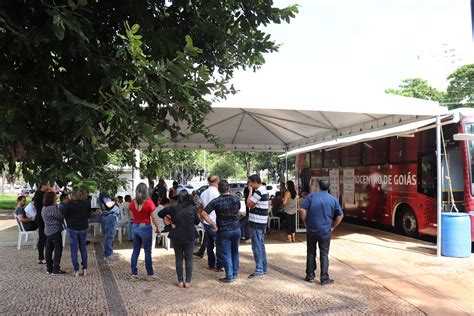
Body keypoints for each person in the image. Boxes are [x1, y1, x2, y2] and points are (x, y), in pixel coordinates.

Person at [300, 179, 344, 285]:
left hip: (311, 230)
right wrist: (333, 226)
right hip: (325, 231)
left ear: (319, 186)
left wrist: (306, 223)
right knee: (324, 254)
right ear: (329, 187)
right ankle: (324, 278)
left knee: (311, 253)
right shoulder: (333, 199)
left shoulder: (311, 196)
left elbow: (302, 210)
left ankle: (310, 276)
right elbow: (340, 215)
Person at [201, 180, 241, 283]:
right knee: (235, 251)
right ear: (229, 189)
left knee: (226, 253)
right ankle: (235, 272)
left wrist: (213, 224)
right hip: (236, 228)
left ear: (218, 189)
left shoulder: (216, 201)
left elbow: (204, 213)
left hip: (224, 230)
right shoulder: (236, 199)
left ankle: (229, 276)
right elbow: (238, 211)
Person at [158, 190, 200, 288]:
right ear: (188, 198)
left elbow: (160, 213)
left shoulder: (173, 207)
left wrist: (170, 220)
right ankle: (188, 281)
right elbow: (197, 222)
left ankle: (180, 281)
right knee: (189, 259)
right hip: (189, 235)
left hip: (176, 235)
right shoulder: (192, 208)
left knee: (178, 258)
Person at [129, 183, 160, 281]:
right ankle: (149, 275)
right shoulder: (149, 202)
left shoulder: (132, 202)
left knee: (135, 251)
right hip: (145, 227)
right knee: (147, 252)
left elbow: (132, 217)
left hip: (135, 226)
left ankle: (134, 274)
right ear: (146, 191)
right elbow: (154, 217)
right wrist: (158, 228)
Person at [63, 188, 92, 277]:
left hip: (72, 227)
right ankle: (85, 268)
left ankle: (76, 270)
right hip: (83, 227)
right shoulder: (87, 203)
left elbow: (65, 215)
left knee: (74, 249)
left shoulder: (69, 203)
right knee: (83, 248)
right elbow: (88, 215)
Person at [246, 174, 269, 278]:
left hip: (256, 223)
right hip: (262, 222)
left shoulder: (258, 192)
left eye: (250, 183)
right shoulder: (264, 190)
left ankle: (259, 269)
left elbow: (249, 203)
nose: (249, 185)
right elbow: (253, 204)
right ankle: (263, 267)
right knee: (261, 245)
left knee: (256, 246)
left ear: (255, 182)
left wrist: (250, 191)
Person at [197, 175, 222, 272]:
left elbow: (200, 207)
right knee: (219, 244)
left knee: (210, 245)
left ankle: (211, 264)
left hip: (206, 221)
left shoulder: (203, 193)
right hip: (216, 221)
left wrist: (201, 217)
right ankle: (219, 265)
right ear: (217, 181)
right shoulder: (217, 193)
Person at [42, 191, 65, 275]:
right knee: (58, 250)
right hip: (55, 231)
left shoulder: (44, 208)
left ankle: (49, 268)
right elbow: (60, 217)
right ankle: (56, 269)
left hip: (47, 231)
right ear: (52, 198)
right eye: (55, 196)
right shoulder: (52, 208)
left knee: (48, 250)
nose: (57, 197)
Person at [99, 190, 120, 260]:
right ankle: (108, 254)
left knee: (109, 236)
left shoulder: (106, 193)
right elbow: (109, 204)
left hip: (109, 216)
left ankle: (109, 252)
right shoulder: (105, 193)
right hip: (109, 216)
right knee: (109, 236)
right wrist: (115, 200)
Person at [33, 184, 51, 264]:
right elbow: (54, 196)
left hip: (39, 216)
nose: (49, 186)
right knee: (43, 237)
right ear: (43, 185)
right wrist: (50, 189)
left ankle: (42, 256)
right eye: (47, 185)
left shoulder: (37, 193)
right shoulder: (42, 194)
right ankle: (41, 257)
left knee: (43, 237)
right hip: (42, 217)